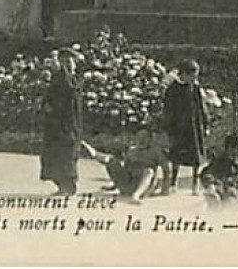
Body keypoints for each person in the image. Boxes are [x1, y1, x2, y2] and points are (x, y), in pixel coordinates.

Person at [83, 127, 171, 203]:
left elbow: (166, 170)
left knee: (149, 171)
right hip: (128, 185)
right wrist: (114, 186)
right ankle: (95, 154)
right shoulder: (131, 151)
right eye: (139, 137)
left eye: (144, 137)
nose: (141, 140)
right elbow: (125, 170)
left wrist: (165, 190)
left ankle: (136, 195)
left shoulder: (155, 152)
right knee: (112, 160)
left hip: (144, 188)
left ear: (150, 139)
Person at [162, 59, 210, 193]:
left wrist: (206, 124)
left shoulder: (195, 88)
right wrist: (169, 127)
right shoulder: (173, 89)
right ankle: (173, 183)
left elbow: (202, 107)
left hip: (194, 126)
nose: (194, 79)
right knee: (177, 156)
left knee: (196, 156)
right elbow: (168, 109)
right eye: (192, 76)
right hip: (179, 128)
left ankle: (195, 184)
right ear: (183, 74)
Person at [40, 48, 82, 194]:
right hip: (57, 123)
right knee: (57, 153)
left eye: (69, 61)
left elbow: (68, 96)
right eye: (64, 61)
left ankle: (68, 185)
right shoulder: (59, 77)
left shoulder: (68, 78)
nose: (68, 64)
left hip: (66, 123)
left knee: (66, 153)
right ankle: (63, 185)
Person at [200, 133, 238, 208]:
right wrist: (211, 187)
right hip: (220, 193)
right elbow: (207, 175)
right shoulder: (218, 163)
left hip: (234, 195)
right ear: (230, 148)